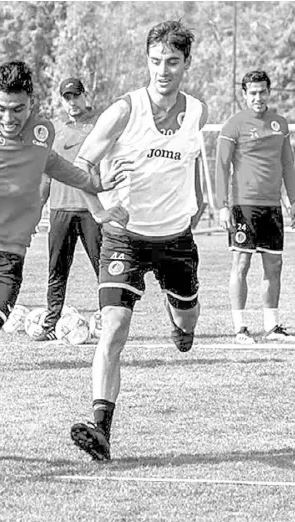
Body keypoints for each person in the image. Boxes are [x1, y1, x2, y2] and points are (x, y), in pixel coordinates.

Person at [0, 61, 129, 461]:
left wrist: (95, 185)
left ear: (31, 103)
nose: (7, 117)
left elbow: (51, 164)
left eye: (17, 109)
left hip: (4, 257)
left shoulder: (41, 129)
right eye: (0, 107)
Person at [69, 20, 208, 461]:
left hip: (175, 239)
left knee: (187, 318)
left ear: (187, 62)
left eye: (171, 62)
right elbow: (80, 166)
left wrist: (200, 204)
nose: (162, 71)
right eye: (154, 62)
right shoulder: (125, 110)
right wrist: (99, 204)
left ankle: (180, 324)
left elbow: (193, 164)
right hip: (124, 238)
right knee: (113, 328)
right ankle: (100, 428)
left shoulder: (199, 112)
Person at [215, 70, 295, 345]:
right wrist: (222, 206)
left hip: (272, 207)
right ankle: (240, 329)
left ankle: (272, 326)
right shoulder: (233, 125)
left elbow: (287, 165)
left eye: (262, 92)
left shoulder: (280, 124)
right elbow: (222, 166)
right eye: (252, 93)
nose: (258, 97)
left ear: (269, 92)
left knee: (274, 264)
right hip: (243, 206)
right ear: (244, 95)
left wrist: (292, 200)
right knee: (241, 263)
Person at [35, 78, 102, 341]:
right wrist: (37, 209)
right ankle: (50, 323)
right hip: (60, 210)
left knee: (104, 268)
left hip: (91, 210)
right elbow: (45, 175)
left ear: (85, 96)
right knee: (57, 270)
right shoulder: (53, 130)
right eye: (67, 97)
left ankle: (110, 320)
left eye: (76, 96)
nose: (72, 102)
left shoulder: (98, 126)